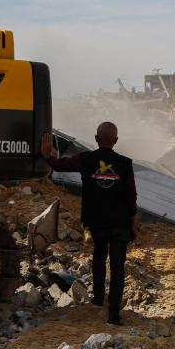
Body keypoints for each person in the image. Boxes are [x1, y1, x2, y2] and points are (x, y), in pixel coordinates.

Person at [41, 122, 138, 325]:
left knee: (99, 256)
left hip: (97, 221)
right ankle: (113, 315)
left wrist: (48, 155)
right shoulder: (125, 163)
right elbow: (131, 196)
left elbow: (60, 166)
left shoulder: (85, 159)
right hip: (119, 223)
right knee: (117, 267)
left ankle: (98, 299)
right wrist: (133, 221)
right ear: (116, 140)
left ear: (96, 139)